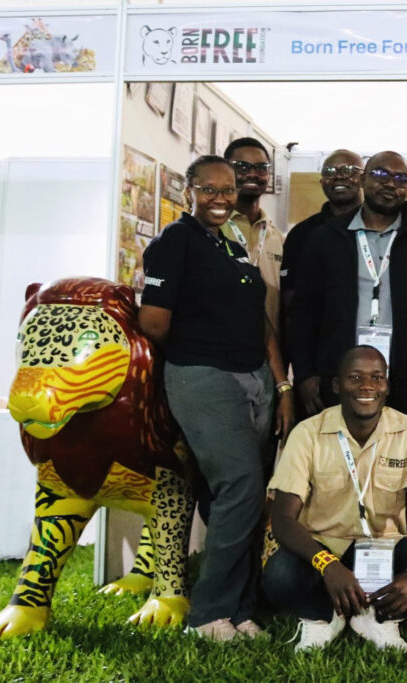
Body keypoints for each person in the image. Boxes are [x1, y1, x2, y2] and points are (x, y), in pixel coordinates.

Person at [138, 154, 294, 641]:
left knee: (238, 494)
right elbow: (153, 323)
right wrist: (200, 347)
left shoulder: (231, 243)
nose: (221, 198)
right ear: (189, 191)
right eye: (209, 189)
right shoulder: (174, 241)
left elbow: (259, 321)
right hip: (204, 376)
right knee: (241, 485)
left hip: (255, 378)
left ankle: (240, 611)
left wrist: (281, 385)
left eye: (228, 190)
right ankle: (207, 614)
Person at [262, 346, 407, 652]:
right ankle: (324, 616)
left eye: (377, 377)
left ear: (387, 385)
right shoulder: (308, 433)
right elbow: (283, 518)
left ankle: (377, 616)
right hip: (324, 548)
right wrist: (327, 565)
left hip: (384, 548)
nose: (367, 386)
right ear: (337, 385)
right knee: (279, 576)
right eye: (355, 377)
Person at [289, 150, 407, 427]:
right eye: (381, 174)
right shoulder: (325, 239)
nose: (390, 183)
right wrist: (304, 374)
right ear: (363, 179)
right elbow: (303, 312)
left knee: (403, 452)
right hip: (339, 378)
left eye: (401, 179)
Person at [281, 149, 365, 324]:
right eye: (329, 172)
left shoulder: (380, 227)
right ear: (321, 182)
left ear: (364, 178)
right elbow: (291, 296)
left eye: (348, 170)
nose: (339, 176)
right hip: (319, 334)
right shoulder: (302, 233)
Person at [222, 137, 285, 340]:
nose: (252, 174)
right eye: (241, 166)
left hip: (269, 350)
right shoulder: (210, 230)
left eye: (261, 168)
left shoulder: (278, 238)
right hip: (220, 348)